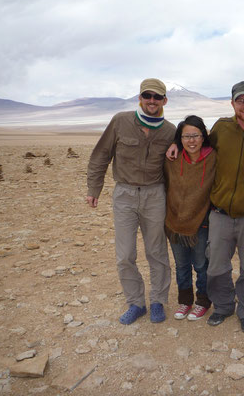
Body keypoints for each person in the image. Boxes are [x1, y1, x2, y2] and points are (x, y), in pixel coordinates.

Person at [167, 80, 244, 333]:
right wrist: (177, 142)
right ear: (232, 103)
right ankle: (222, 306)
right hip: (219, 212)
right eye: (240, 100)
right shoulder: (221, 128)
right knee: (217, 266)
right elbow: (198, 142)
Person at [86, 78, 175, 325]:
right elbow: (100, 155)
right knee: (125, 254)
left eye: (157, 97)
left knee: (156, 251)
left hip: (155, 195)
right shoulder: (120, 121)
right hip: (124, 194)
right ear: (140, 97)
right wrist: (94, 188)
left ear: (164, 101)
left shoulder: (170, 131)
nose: (152, 101)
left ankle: (158, 300)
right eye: (147, 95)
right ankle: (136, 303)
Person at [164, 115, 216, 321]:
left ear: (203, 137)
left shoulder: (214, 158)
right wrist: (174, 144)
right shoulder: (172, 159)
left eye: (196, 135)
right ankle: (185, 301)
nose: (191, 141)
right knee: (181, 264)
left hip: (201, 221)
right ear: (180, 139)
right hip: (174, 221)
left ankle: (203, 301)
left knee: (201, 264)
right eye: (186, 136)